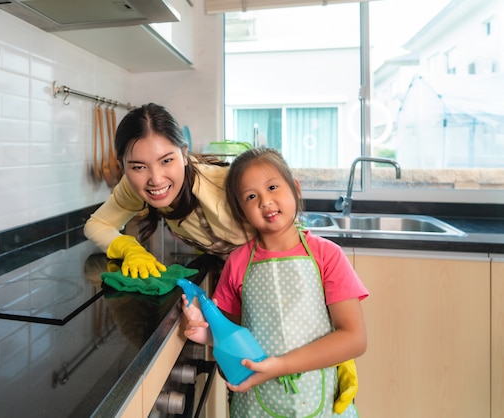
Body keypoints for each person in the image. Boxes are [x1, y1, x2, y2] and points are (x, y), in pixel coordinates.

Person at [182, 147, 368, 417]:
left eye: (272, 187)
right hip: (255, 408)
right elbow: (229, 359)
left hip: (322, 405)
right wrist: (210, 336)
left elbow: (354, 339)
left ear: (295, 188)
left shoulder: (327, 256)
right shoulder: (236, 264)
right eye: (251, 196)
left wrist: (280, 365)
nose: (265, 201)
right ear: (241, 210)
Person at [84, 103, 253, 279]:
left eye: (166, 161)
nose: (156, 180)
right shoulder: (133, 186)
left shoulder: (226, 185)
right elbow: (96, 225)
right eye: (139, 167)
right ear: (123, 165)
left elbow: (282, 231)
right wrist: (129, 248)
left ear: (184, 154)